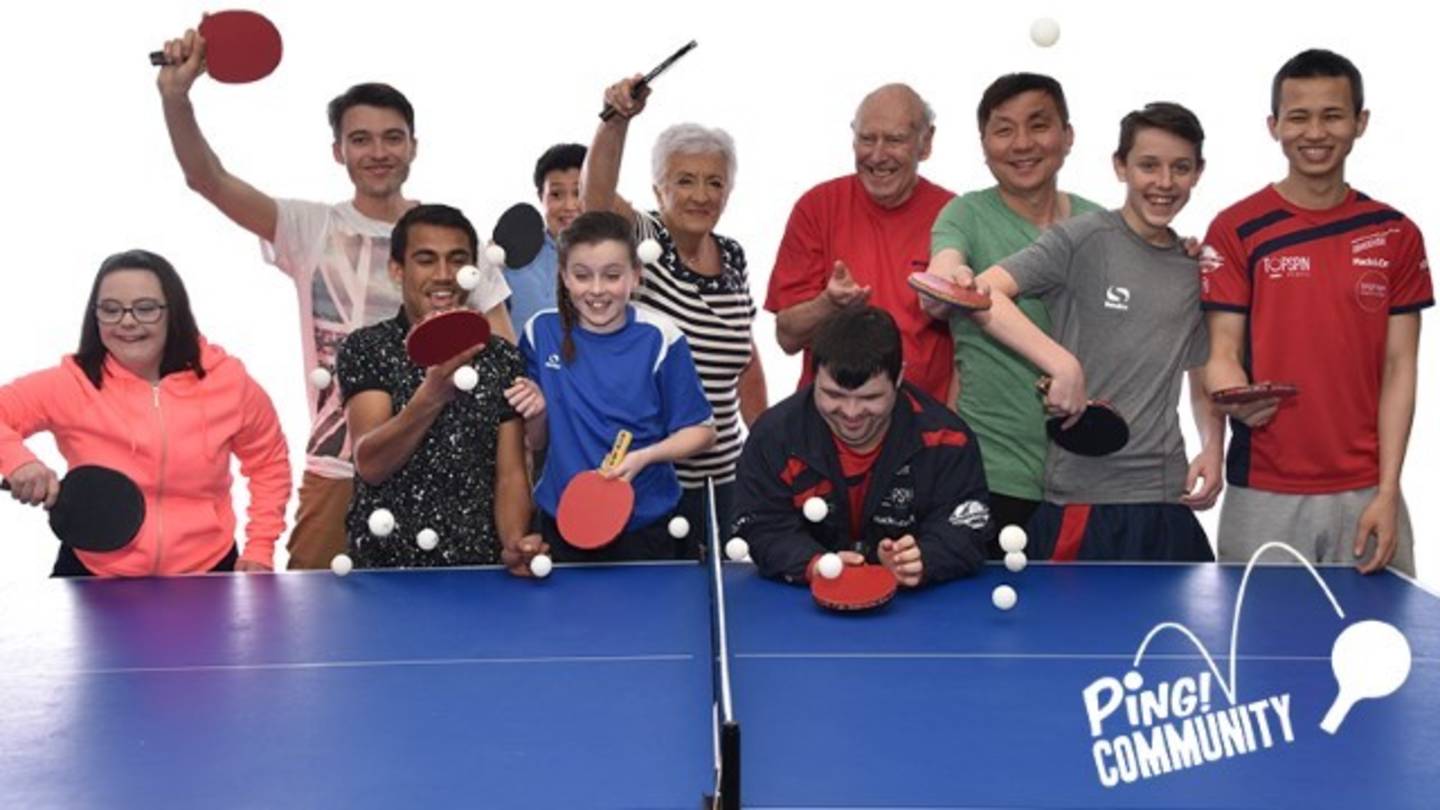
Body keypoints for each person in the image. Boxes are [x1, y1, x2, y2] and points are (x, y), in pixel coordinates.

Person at [156, 31, 513, 570]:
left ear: (414, 146)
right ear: (338, 150)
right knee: (316, 633)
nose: (378, 152)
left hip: (451, 468)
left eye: (392, 138)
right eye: (361, 139)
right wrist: (176, 98)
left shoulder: (451, 241)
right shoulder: (310, 228)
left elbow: (502, 353)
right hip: (339, 466)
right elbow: (205, 178)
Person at [957, 103, 1223, 560]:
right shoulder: (1081, 239)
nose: (1164, 182)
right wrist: (1062, 364)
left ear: (1198, 173)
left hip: (1165, 496)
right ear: (1120, 166)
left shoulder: (1192, 266)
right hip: (1083, 497)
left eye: (1180, 168)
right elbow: (982, 294)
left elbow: (1198, 369)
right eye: (1148, 165)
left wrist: (1213, 448)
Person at [1201, 49, 1431, 575]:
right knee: (1258, 656)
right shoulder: (1236, 228)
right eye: (1299, 116)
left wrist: (1389, 490)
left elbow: (1401, 369)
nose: (1315, 132)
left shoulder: (1396, 233)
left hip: (1369, 491)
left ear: (1360, 122)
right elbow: (1220, 351)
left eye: (1333, 115)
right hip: (1262, 491)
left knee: (1380, 651)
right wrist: (1236, 395)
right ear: (1274, 125)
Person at [0, 250, 291, 576]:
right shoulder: (70, 383)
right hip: (93, 571)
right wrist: (18, 461)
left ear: (174, 313)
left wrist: (260, 547)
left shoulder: (230, 382)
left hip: (206, 571)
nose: (127, 321)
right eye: (110, 310)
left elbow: (269, 464)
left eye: (145, 309)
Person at [582, 75, 767, 556]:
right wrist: (616, 121)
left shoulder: (733, 256)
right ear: (658, 189)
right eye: (684, 181)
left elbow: (745, 354)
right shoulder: (644, 243)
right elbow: (594, 199)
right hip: (651, 477)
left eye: (714, 182)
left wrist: (765, 446)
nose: (701, 195)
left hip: (724, 475)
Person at [921, 73, 1102, 548]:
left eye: (1038, 125)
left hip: (1090, 478)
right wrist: (948, 283)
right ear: (983, 145)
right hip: (990, 473)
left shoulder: (1101, 224)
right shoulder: (966, 214)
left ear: (1068, 135)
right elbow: (943, 270)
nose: (1022, 144)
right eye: (1003, 130)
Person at [337, 205, 539, 571]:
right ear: (397, 269)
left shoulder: (501, 357)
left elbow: (509, 472)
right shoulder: (366, 348)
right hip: (386, 569)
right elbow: (370, 463)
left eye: (457, 260)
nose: (444, 275)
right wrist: (430, 398)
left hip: (476, 570)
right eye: (426, 260)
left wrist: (514, 544)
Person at [731, 306, 991, 586]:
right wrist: (814, 564)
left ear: (899, 378)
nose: (851, 413)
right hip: (802, 604)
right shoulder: (774, 437)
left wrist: (921, 558)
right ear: (813, 375)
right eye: (833, 395)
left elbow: (969, 527)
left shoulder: (947, 438)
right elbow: (761, 525)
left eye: (870, 397)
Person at [519, 211, 716, 562]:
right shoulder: (540, 333)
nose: (597, 290)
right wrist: (537, 411)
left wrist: (645, 457)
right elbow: (536, 441)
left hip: (647, 526)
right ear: (564, 276)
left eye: (612, 276)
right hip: (561, 520)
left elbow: (701, 432)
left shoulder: (661, 337)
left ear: (635, 276)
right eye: (582, 275)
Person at [766, 83, 956, 403]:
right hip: (831, 420)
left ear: (926, 144)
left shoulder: (955, 216)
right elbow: (787, 337)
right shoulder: (817, 207)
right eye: (867, 139)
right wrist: (829, 304)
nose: (878, 155)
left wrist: (952, 431)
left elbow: (973, 349)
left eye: (895, 140)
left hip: (926, 427)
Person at [506, 143, 587, 330]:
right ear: (540, 196)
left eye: (579, 193)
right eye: (556, 194)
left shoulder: (620, 256)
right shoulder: (512, 260)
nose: (570, 205)